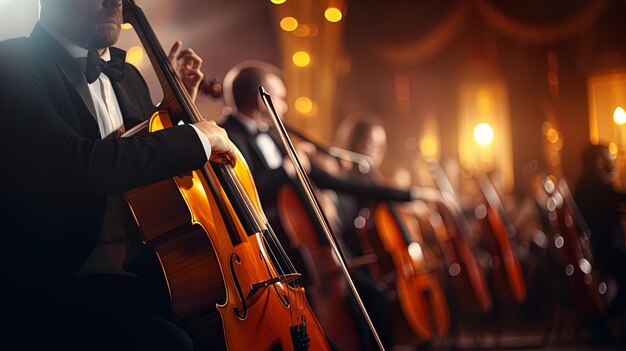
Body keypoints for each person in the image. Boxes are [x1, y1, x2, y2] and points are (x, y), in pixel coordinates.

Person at [0, 0, 237, 350]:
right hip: (65, 284)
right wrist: (198, 137)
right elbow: (77, 165)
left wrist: (171, 113)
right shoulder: (12, 63)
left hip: (149, 273)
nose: (117, 2)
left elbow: (140, 159)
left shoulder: (129, 76)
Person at [220, 61, 421, 350]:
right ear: (259, 99)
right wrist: (286, 170)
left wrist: (408, 194)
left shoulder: (277, 136)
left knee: (375, 300)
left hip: (316, 260)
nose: (285, 107)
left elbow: (338, 182)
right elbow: (242, 190)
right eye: (280, 98)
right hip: (274, 257)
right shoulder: (227, 136)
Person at [574, 143, 626, 343]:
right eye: (607, 157)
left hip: (606, 246)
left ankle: (602, 322)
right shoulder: (591, 183)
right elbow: (614, 199)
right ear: (598, 161)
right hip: (602, 248)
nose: (611, 161)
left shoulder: (593, 182)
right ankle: (600, 321)